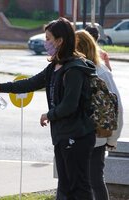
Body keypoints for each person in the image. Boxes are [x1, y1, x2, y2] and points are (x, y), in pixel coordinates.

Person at [0, 17, 96, 199]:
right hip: (62, 135)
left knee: (79, 186)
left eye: (48, 38)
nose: (46, 42)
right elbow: (30, 83)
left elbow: (70, 105)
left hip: (77, 135)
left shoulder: (74, 69)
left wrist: (49, 114)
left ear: (60, 41)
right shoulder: (55, 66)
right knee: (65, 186)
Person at [75, 30, 123, 200]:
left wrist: (112, 139)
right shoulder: (98, 71)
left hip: (90, 137)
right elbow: (117, 107)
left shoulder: (98, 72)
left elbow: (116, 106)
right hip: (92, 137)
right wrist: (112, 139)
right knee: (91, 180)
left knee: (92, 179)